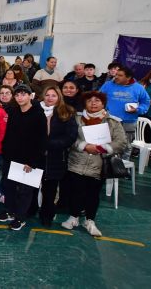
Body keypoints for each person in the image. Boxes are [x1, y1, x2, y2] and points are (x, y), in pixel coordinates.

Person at [61, 91, 127, 237]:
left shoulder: (112, 122)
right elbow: (70, 138)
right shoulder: (77, 119)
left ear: (103, 103)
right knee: (75, 191)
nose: (93, 103)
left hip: (99, 164)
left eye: (97, 100)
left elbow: (121, 142)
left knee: (93, 194)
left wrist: (102, 148)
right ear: (85, 103)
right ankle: (73, 217)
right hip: (77, 162)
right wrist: (84, 146)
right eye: (90, 100)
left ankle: (90, 221)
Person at [0, 84, 47, 231]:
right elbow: (9, 134)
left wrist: (32, 162)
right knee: (9, 186)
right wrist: (6, 152)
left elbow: (42, 140)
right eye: (17, 95)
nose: (20, 97)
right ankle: (10, 211)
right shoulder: (14, 111)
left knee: (25, 191)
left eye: (23, 94)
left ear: (30, 96)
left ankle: (20, 218)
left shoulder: (38, 114)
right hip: (12, 158)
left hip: (29, 161)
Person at [38, 85, 78, 227]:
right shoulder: (35, 109)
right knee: (31, 186)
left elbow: (70, 136)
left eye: (53, 95)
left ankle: (47, 214)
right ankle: (30, 210)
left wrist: (49, 143)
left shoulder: (66, 112)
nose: (50, 98)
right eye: (47, 95)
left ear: (59, 97)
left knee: (50, 189)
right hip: (36, 156)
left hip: (55, 157)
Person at [99, 66, 150, 158]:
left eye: (120, 75)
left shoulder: (138, 88)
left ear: (128, 77)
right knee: (105, 143)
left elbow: (145, 103)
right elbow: (99, 98)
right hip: (109, 120)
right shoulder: (108, 85)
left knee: (126, 146)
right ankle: (105, 166)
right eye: (116, 75)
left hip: (128, 122)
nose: (116, 77)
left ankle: (123, 167)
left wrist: (138, 109)